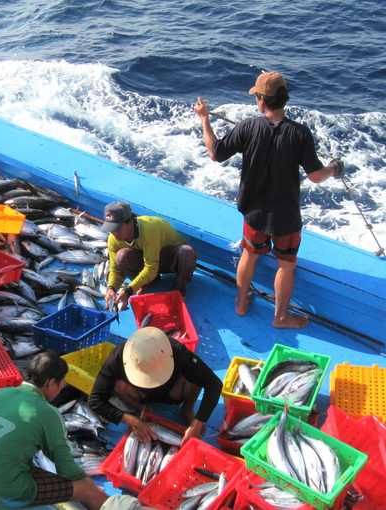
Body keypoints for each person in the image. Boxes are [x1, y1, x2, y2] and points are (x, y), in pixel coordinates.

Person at [194, 71, 345, 329]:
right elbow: (317, 176)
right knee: (286, 264)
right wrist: (334, 169)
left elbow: (215, 152)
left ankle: (241, 304)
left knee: (249, 255)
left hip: (254, 213)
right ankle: (281, 317)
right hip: (285, 218)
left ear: (262, 101)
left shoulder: (248, 127)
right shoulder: (300, 134)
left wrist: (205, 119)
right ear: (284, 99)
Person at [0, 352, 109, 510]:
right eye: (61, 384)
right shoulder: (48, 412)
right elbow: (66, 469)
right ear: (52, 383)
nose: (61, 389)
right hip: (5, 493)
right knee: (86, 488)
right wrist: (89, 484)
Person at [88, 327, 222, 446]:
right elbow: (95, 400)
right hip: (141, 396)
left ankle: (187, 410)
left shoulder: (178, 352)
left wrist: (197, 423)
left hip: (173, 392)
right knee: (118, 385)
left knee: (195, 376)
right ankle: (141, 410)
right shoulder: (116, 358)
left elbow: (214, 384)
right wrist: (131, 420)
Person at [102, 201, 197, 312]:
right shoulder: (113, 239)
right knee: (121, 256)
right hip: (147, 257)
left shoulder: (149, 231)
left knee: (187, 252)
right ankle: (151, 281)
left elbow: (151, 268)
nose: (114, 233)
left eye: (117, 228)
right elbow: (115, 269)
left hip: (169, 259)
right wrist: (111, 288)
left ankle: (178, 292)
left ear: (130, 221)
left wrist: (128, 290)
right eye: (111, 229)